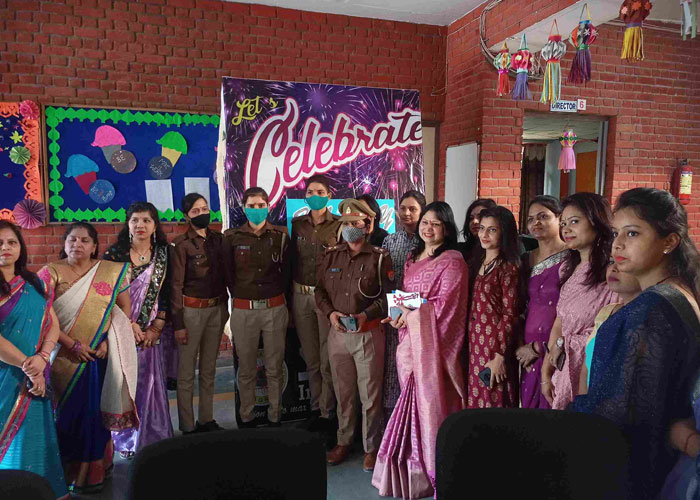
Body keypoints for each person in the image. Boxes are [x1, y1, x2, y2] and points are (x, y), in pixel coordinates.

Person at [573, 187, 700, 499]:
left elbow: (623, 412)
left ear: (669, 241)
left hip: (635, 470)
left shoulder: (652, 307)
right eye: (616, 233)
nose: (617, 244)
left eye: (632, 233)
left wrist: (571, 413)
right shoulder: (674, 293)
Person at [373, 201, 467, 499]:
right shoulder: (413, 257)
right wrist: (397, 312)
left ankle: (431, 470)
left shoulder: (453, 262)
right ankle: (408, 468)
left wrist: (408, 312)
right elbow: (407, 296)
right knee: (409, 401)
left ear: (447, 229)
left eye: (436, 223)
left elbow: (446, 307)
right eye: (425, 222)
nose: (428, 228)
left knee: (427, 404)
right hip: (408, 342)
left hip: (432, 348)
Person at [43, 222, 139, 493]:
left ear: (95, 246)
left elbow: (123, 310)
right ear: (64, 244)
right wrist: (71, 344)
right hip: (62, 357)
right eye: (72, 240)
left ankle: (96, 470)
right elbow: (44, 315)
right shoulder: (50, 273)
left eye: (85, 240)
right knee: (67, 416)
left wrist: (108, 341)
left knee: (94, 414)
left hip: (98, 356)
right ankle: (68, 475)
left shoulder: (109, 271)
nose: (78, 244)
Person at [315, 198, 394, 471]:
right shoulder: (331, 255)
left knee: (370, 395)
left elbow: (389, 297)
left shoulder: (380, 257)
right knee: (343, 392)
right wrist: (330, 314)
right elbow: (319, 291)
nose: (350, 227)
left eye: (356, 222)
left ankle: (371, 447)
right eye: (346, 223)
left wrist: (367, 315)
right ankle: (344, 441)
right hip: (338, 335)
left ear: (367, 224)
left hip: (367, 334)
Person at [0, 221, 69, 500]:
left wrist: (42, 357)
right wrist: (30, 368)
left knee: (34, 440)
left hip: (35, 376)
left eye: (11, 242)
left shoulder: (34, 282)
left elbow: (52, 323)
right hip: (7, 378)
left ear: (20, 247)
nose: (5, 247)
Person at [105, 202, 173, 458]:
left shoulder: (164, 254)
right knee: (124, 383)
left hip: (151, 333)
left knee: (149, 384)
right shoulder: (114, 255)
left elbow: (167, 292)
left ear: (155, 225)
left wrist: (157, 326)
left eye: (146, 220)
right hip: (122, 330)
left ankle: (153, 436)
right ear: (128, 224)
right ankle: (126, 440)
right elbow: (106, 296)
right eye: (135, 220)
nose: (140, 225)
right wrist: (128, 324)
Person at [542, 192, 617, 410]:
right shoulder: (568, 269)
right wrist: (546, 372)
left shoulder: (613, 273)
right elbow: (560, 321)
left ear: (597, 221)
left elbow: (608, 331)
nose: (566, 229)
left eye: (574, 221)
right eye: (563, 223)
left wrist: (565, 344)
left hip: (589, 372)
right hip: (561, 369)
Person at [223, 187, 291, 428]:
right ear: (243, 208)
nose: (256, 210)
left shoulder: (281, 236)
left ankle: (275, 415)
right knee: (246, 368)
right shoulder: (231, 237)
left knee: (274, 366)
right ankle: (247, 417)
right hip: (244, 311)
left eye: (261, 205)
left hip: (275, 308)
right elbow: (228, 275)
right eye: (251, 206)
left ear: (268, 207)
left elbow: (288, 273)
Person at [171, 193, 229, 434]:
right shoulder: (181, 245)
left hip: (216, 309)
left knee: (209, 368)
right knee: (186, 372)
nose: (202, 213)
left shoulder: (219, 239)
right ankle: (187, 425)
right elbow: (175, 286)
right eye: (195, 211)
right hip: (191, 313)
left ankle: (207, 419)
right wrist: (178, 324)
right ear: (186, 216)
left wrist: (226, 310)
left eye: (205, 208)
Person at [290, 174, 340, 436]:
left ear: (329, 195)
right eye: (310, 192)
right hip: (300, 296)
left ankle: (328, 413)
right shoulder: (297, 225)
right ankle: (315, 409)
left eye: (320, 191)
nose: (315, 196)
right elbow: (291, 263)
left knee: (326, 359)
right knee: (311, 359)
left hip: (325, 298)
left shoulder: (339, 225)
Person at [516, 196, 568, 409]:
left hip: (555, 347)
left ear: (560, 218)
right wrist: (521, 347)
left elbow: (572, 312)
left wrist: (540, 347)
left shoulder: (572, 258)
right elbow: (519, 306)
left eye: (543, 216)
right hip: (526, 349)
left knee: (552, 407)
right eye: (530, 219)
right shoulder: (525, 260)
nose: (535, 223)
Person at [466, 205, 521, 408]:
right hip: (474, 344)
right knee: (475, 401)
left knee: (493, 400)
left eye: (492, 230)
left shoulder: (507, 268)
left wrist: (499, 356)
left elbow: (510, 314)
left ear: (504, 232)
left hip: (495, 346)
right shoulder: (477, 262)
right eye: (482, 228)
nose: (484, 235)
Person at [380, 190, 426, 424]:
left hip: (419, 313)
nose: (407, 213)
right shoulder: (390, 240)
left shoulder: (427, 240)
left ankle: (415, 419)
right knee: (391, 362)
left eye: (413, 209)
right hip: (393, 312)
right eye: (403, 208)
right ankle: (392, 420)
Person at [578, 261, 640, 396]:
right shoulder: (606, 312)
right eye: (611, 261)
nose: (613, 268)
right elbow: (587, 367)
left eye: (623, 261)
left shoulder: (649, 317)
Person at [458, 198, 497, 295]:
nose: (475, 221)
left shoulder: (499, 251)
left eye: (480, 217)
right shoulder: (461, 250)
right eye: (471, 218)